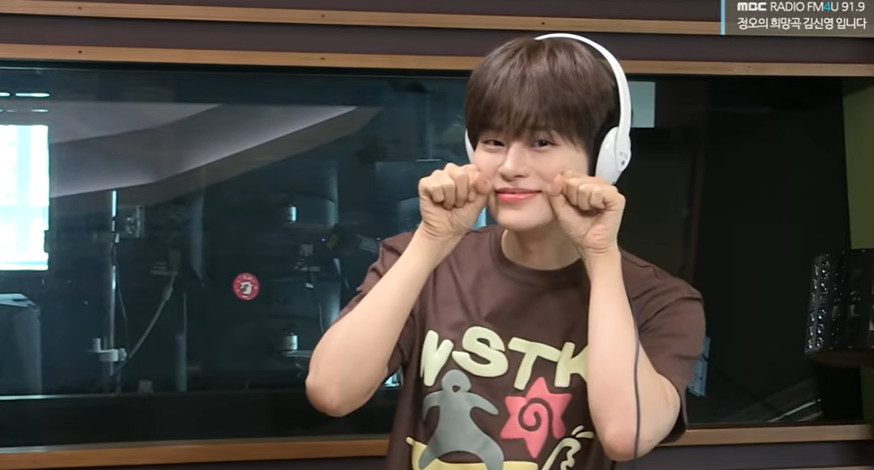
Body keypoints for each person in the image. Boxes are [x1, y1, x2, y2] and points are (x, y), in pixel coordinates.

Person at [306, 34, 706, 470]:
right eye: (494, 142)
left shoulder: (661, 302)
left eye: (542, 142)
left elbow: (625, 436)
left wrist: (601, 257)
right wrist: (431, 240)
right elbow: (332, 392)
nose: (511, 167)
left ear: (605, 156)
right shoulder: (419, 261)